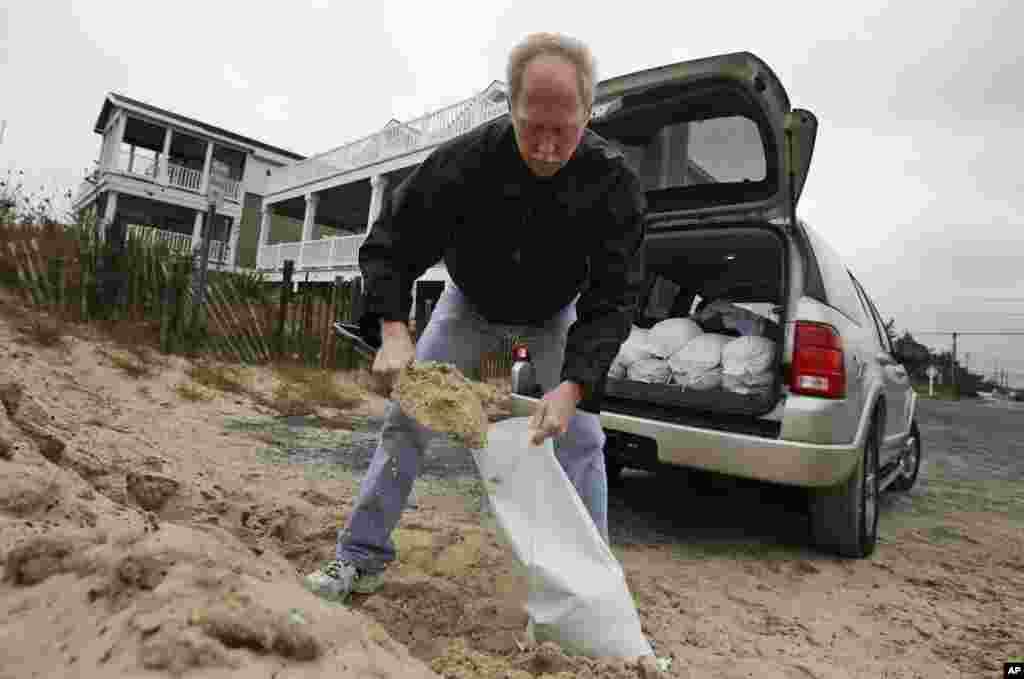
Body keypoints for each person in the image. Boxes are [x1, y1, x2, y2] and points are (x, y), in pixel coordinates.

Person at [304, 31, 647, 602]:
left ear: (589, 112)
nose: (544, 147)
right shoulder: (462, 162)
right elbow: (391, 244)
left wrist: (573, 386)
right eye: (530, 127)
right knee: (405, 420)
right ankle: (359, 557)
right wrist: (392, 329)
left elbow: (614, 297)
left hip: (555, 313)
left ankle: (596, 588)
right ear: (509, 109)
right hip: (469, 304)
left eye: (562, 131)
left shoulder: (613, 183)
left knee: (584, 438)